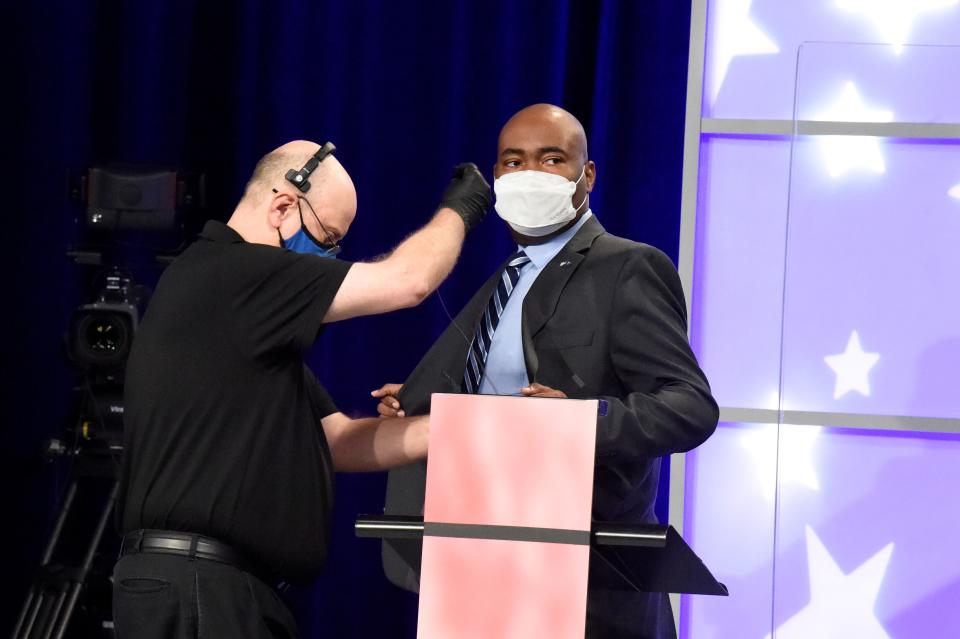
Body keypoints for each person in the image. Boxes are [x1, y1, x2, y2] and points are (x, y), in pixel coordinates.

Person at [113, 139, 491, 638]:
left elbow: (339, 441)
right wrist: (460, 209)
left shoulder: (246, 329)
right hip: (200, 589)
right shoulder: (236, 273)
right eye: (327, 237)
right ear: (283, 205)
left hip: (221, 590)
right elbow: (410, 281)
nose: (330, 255)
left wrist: (467, 422)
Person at [373, 105, 718, 639]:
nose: (528, 174)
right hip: (477, 570)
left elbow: (689, 407)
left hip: (583, 587)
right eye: (512, 162)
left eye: (551, 159)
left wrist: (576, 422)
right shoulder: (507, 279)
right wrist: (428, 401)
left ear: (588, 175)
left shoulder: (627, 267)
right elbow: (501, 400)